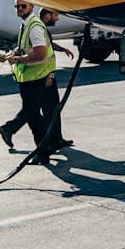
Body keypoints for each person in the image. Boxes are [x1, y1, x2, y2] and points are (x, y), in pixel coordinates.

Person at [0, 0, 60, 164]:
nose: (19, 9)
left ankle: (44, 151)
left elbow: (40, 53)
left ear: (32, 6)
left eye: (23, 6)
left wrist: (17, 60)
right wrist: (8, 56)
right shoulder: (26, 25)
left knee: (35, 117)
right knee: (34, 116)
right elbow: (24, 49)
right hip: (33, 78)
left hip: (37, 78)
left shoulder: (34, 27)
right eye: (17, 6)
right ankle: (46, 148)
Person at [38, 8, 75, 150]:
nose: (57, 19)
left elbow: (49, 46)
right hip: (45, 76)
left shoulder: (41, 29)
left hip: (44, 75)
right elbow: (43, 55)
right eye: (55, 15)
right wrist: (49, 75)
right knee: (49, 109)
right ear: (47, 15)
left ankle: (56, 139)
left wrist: (63, 49)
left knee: (51, 108)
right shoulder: (39, 30)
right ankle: (52, 141)